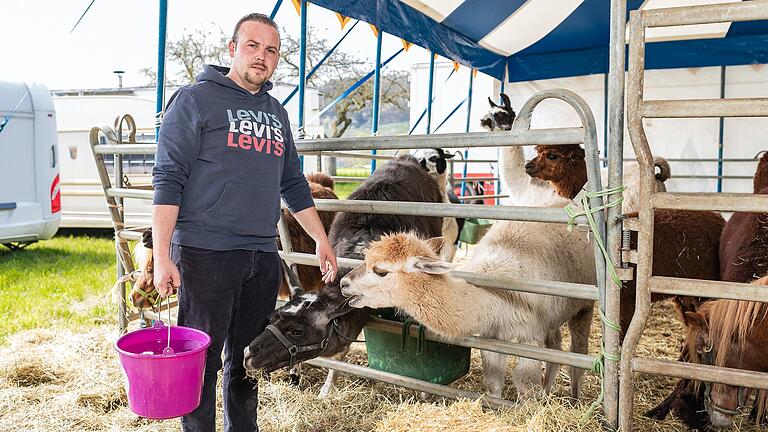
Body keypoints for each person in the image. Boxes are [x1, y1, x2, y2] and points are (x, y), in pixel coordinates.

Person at [151, 13, 338, 432]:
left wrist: (321, 240)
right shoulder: (196, 100)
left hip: (260, 254)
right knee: (202, 361)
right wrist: (162, 255)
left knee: (249, 360)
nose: (262, 56)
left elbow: (292, 182)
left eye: (271, 50)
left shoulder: (277, 112)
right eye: (252, 46)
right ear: (232, 49)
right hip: (205, 252)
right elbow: (168, 178)